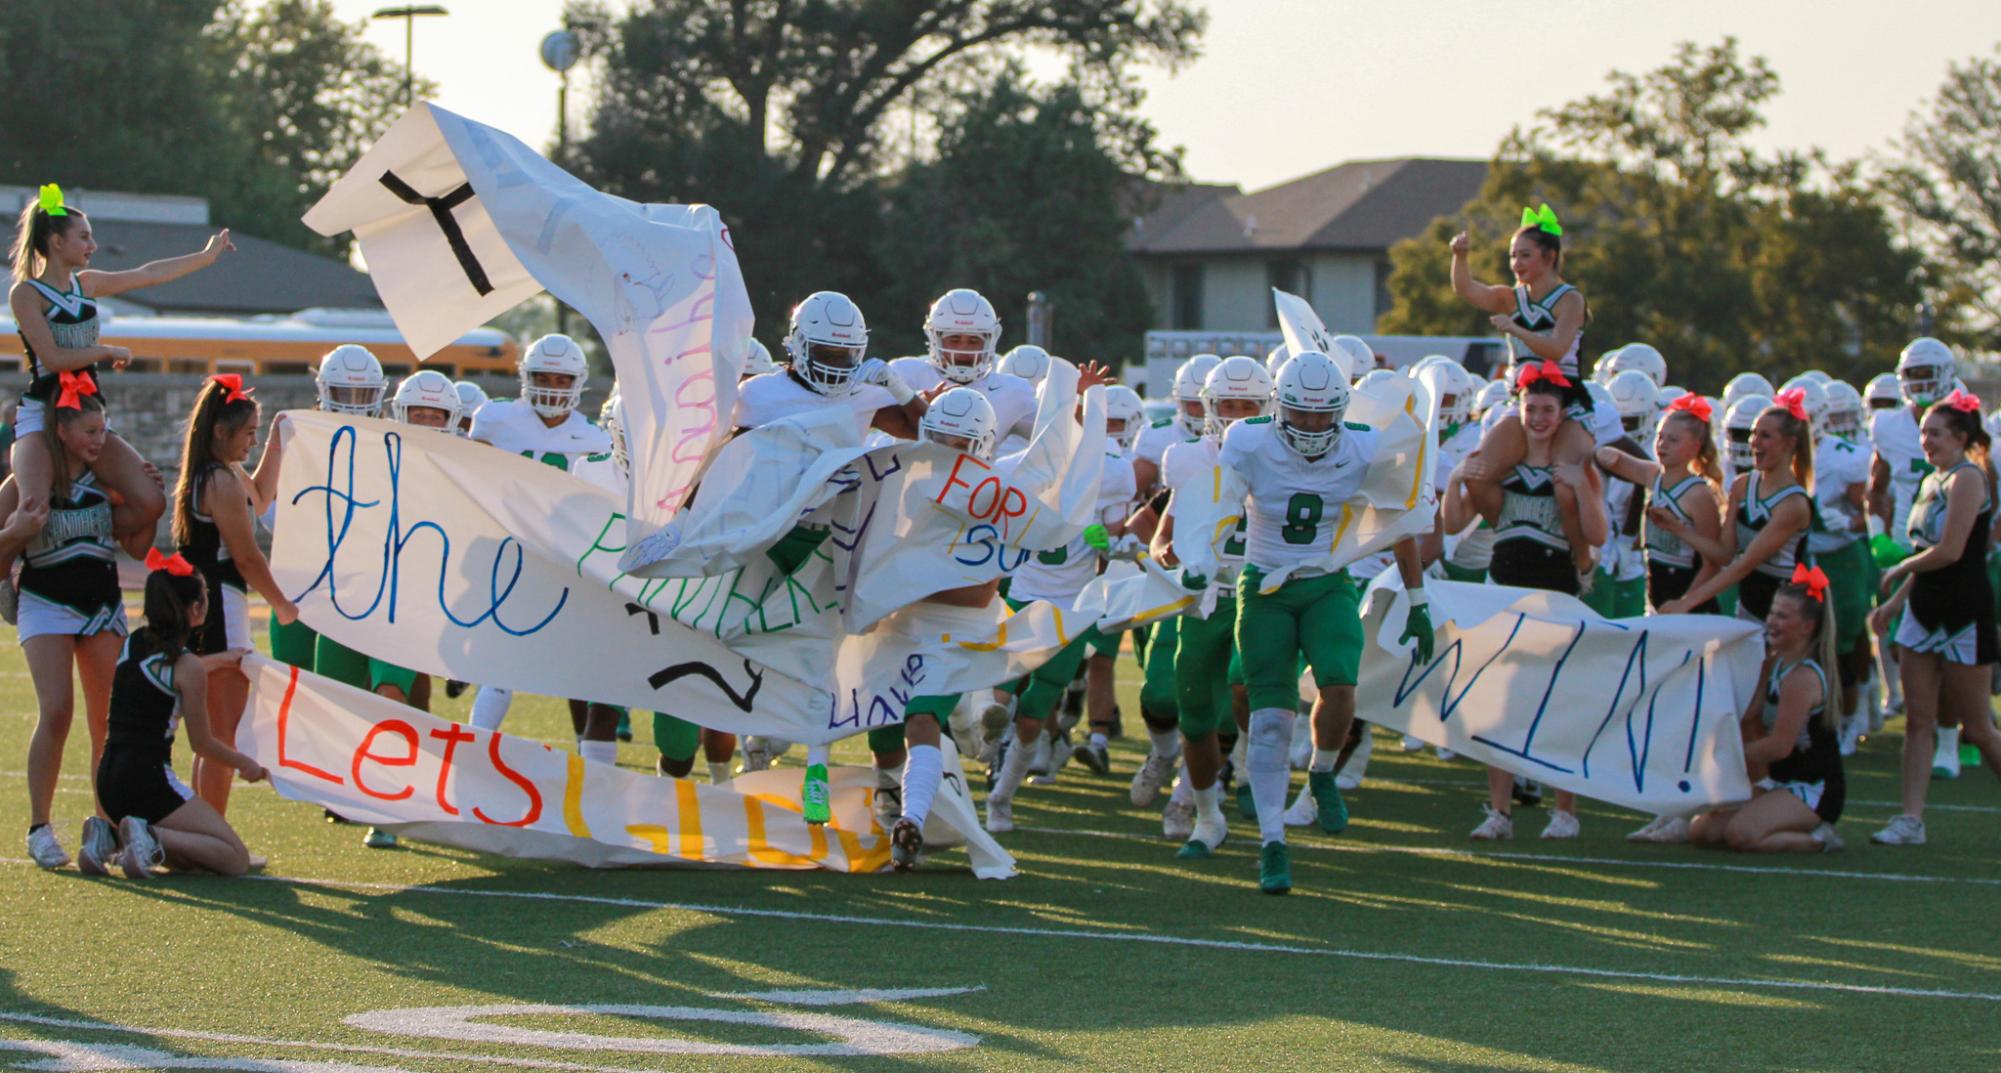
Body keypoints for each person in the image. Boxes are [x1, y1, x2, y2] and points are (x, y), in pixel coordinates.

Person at [1211, 351, 1433, 892]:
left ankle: (1322, 771)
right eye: (1302, 414)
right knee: (1269, 718)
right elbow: (1216, 506)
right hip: (1263, 586)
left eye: (1323, 415)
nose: (1313, 425)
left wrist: (1419, 599)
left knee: (1340, 684)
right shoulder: (1246, 438)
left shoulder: (1363, 443)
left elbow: (1398, 522)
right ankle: (1272, 842)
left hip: (1328, 579)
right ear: (1279, 407)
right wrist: (1200, 557)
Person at [2, 186, 232, 619]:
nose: (92, 245)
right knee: (32, 511)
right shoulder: (26, 294)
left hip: (86, 414)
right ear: (56, 242)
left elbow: (146, 273)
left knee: (149, 499)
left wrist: (205, 257)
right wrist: (104, 352)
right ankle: (5, 576)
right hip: (45, 415)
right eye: (84, 237)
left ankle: (97, 545)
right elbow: (52, 359)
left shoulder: (85, 285)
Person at [1446, 362, 1607, 840]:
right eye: (1531, 408)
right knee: (1499, 703)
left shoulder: (1573, 467)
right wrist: (1456, 478)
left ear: (1562, 414)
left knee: (1558, 701)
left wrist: (1580, 485)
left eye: (1548, 409)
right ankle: (1500, 812)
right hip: (1504, 586)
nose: (1538, 417)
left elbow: (1597, 532)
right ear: (1518, 409)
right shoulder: (1502, 469)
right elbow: (1453, 523)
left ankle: (1565, 813)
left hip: (1556, 588)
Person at [1, 389, 149, 868]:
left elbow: (139, 546)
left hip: (103, 606)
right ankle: (40, 827)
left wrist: (151, 501)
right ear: (59, 430)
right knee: (57, 711)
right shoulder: (22, 484)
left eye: (104, 430)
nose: (99, 440)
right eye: (89, 431)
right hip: (45, 602)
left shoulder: (106, 479)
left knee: (108, 722)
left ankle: (104, 827)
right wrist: (17, 533)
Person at [465, 334, 616, 760]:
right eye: (543, 376)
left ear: (579, 382)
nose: (552, 386)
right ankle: (475, 750)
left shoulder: (594, 439)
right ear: (524, 377)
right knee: (500, 664)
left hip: (569, 563)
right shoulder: (494, 420)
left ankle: (594, 769)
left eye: (561, 378)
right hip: (512, 554)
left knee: (586, 672)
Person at [1148, 355, 1271, 856]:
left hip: (1262, 595)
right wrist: (1170, 557)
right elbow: (1163, 536)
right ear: (1208, 407)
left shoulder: (1282, 454)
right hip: (1207, 597)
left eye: (1249, 405)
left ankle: (1244, 762)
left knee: (1245, 685)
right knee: (1194, 719)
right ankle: (1205, 812)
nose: (1238, 414)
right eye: (1229, 404)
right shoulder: (1188, 457)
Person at [1869, 391, 2001, 845]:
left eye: (1935, 432)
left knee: (1980, 728)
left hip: (1964, 611)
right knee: (1917, 720)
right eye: (1923, 431)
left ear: (1961, 437)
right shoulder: (1932, 480)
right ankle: (1911, 820)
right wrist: (1894, 603)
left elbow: (1949, 551)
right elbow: (1928, 556)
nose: (1926, 440)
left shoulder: (1969, 478)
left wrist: (1899, 568)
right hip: (1923, 610)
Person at [84, 555, 267, 878]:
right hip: (148, 780)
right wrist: (245, 763)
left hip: (108, 782)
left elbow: (172, 669)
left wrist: (222, 659)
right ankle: (148, 835)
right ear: (195, 610)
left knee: (196, 857)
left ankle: (108, 837)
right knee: (233, 858)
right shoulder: (188, 667)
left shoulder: (133, 643)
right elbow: (203, 744)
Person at [889, 387, 1005, 871]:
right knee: (890, 723)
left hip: (958, 628)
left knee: (920, 719)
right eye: (937, 438)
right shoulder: (903, 483)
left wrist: (905, 587)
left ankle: (909, 823)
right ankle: (973, 724)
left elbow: (978, 593)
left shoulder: (993, 497)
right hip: (900, 625)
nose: (945, 451)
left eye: (959, 443)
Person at [173, 374, 298, 815]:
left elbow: (262, 498)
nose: (252, 441)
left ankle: (203, 830)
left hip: (213, 603)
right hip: (218, 608)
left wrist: (277, 444)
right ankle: (212, 835)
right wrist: (282, 605)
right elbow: (247, 558)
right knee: (222, 732)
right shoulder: (220, 482)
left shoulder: (222, 473)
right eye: (248, 434)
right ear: (221, 433)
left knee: (213, 734)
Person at [1448, 205, 1598, 564]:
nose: (1516, 263)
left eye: (1525, 255)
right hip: (1524, 400)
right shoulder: (1511, 297)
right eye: (1513, 255)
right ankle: (1517, 532)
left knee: (1565, 484)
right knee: (1479, 473)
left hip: (1566, 400)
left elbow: (1557, 348)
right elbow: (1467, 289)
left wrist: (1516, 329)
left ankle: (1579, 556)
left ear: (1549, 257)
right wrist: (1460, 255)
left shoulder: (1569, 299)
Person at [1688, 570, 1846, 853]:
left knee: (1741, 835)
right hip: (1778, 781)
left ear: (1807, 627)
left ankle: (1820, 839)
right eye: (1772, 613)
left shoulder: (1802, 677)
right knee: (1703, 831)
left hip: (1813, 786)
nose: (1772, 621)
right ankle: (1775, 814)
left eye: (1783, 616)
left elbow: (1780, 747)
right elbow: (1751, 717)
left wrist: (1726, 755)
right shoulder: (1771, 664)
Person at [1658, 395, 1818, 623]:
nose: (1754, 442)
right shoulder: (1742, 486)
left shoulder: (1793, 505)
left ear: (1790, 443)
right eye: (1753, 433)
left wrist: (1687, 602)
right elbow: (1725, 554)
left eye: (1765, 436)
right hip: (1746, 607)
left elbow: (1745, 564)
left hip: (1783, 614)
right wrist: (1679, 529)